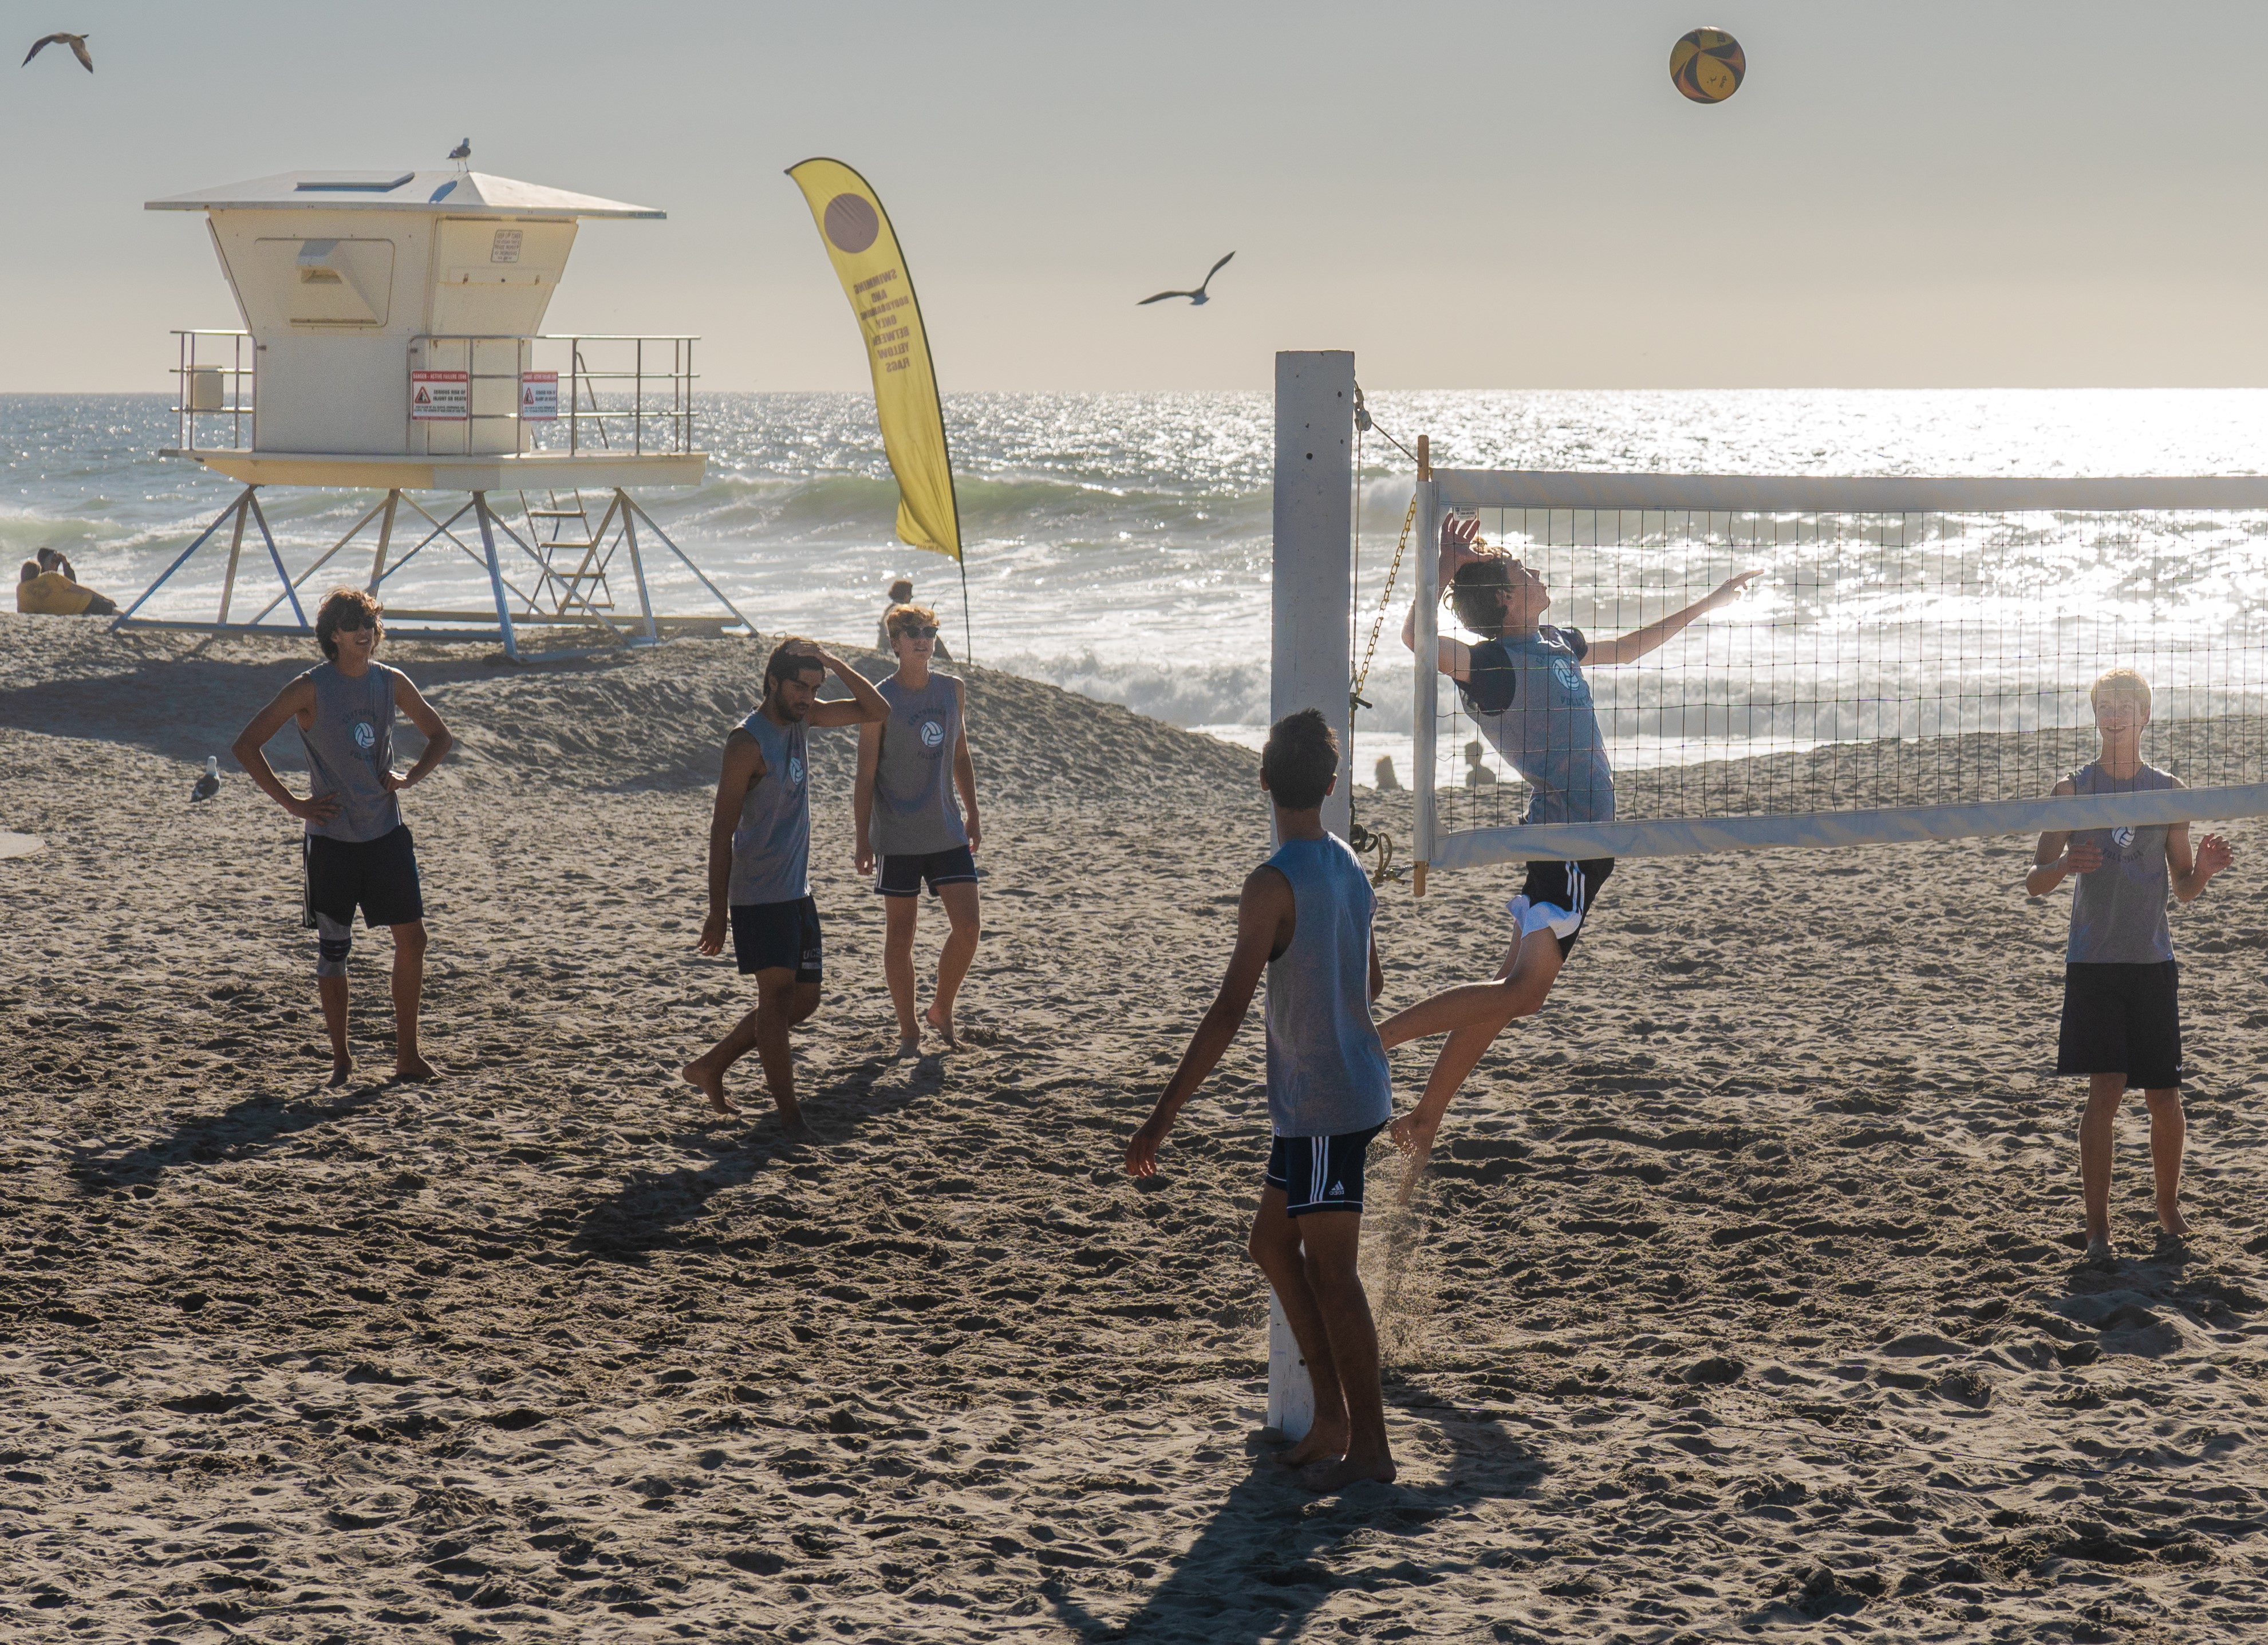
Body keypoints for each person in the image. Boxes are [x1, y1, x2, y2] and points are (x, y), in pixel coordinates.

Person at [1377, 516, 1758, 1183]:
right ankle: (1373, 1043)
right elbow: (1417, 638)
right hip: (1566, 843)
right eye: (1524, 573)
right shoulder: (1492, 667)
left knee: (1505, 994)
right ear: (1504, 600)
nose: (1537, 574)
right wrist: (1442, 568)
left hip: (1579, 840)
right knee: (1522, 994)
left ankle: (1423, 1118)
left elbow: (1631, 648)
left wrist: (1709, 602)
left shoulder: (1554, 640)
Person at [1127, 708, 1397, 1492]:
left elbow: (1227, 1009)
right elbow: (1373, 981)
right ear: (1333, 784)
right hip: (1340, 1089)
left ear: (1263, 781)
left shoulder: (1271, 883)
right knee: (1272, 1246)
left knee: (1334, 1274)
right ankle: (1333, 1419)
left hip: (1326, 1104)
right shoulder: (1346, 862)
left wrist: (1162, 1114)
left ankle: (1370, 1446)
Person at [2026, 668, 2232, 1259]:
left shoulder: (2168, 788)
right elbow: (2033, 882)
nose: (2114, 714)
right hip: (2093, 962)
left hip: (2150, 961)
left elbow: (2184, 886)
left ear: (2144, 716)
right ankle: (2097, 1230)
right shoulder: (2072, 790)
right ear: (2095, 714)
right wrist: (2065, 865)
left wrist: (2207, 872)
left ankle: (2167, 1209)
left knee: (2164, 1096)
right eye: (2105, 705)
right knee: (2105, 1093)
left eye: (2125, 705)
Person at [231, 588, 454, 1086]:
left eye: (370, 621)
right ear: (334, 634)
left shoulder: (390, 682)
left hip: (386, 834)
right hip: (331, 842)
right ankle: (341, 1060)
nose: (365, 630)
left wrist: (407, 777)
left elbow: (440, 736)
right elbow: (246, 744)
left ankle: (408, 1057)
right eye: (355, 622)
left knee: (413, 939)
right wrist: (295, 805)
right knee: (335, 950)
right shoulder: (309, 688)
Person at [682, 637, 889, 1133]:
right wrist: (718, 910)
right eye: (800, 685)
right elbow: (720, 829)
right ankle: (791, 1118)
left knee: (804, 1000)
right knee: (774, 1001)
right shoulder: (746, 742)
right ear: (773, 680)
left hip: (797, 889)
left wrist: (832, 662)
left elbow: (876, 709)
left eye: (815, 688)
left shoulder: (804, 720)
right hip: (758, 893)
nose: (808, 697)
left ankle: (711, 1065)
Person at [854, 602, 983, 1054]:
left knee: (968, 927)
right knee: (900, 936)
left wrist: (973, 811)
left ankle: (941, 1009)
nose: (922, 638)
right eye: (912, 631)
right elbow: (865, 774)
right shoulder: (880, 699)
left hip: (946, 828)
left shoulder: (952, 689)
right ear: (895, 643)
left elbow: (961, 754)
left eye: (928, 630)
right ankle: (908, 1031)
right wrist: (862, 839)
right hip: (897, 836)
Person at [15, 555, 117, 617]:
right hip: (85, 603)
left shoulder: (21, 589)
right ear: (38, 572)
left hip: (75, 612)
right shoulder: (51, 575)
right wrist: (104, 598)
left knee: (112, 615)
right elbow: (78, 589)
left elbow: (23, 614)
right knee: (116, 614)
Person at [878, 574, 950, 661]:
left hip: (885, 646)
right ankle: (947, 659)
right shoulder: (901, 610)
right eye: (910, 596)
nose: (910, 599)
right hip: (892, 647)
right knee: (930, 633)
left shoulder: (890, 608)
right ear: (905, 595)